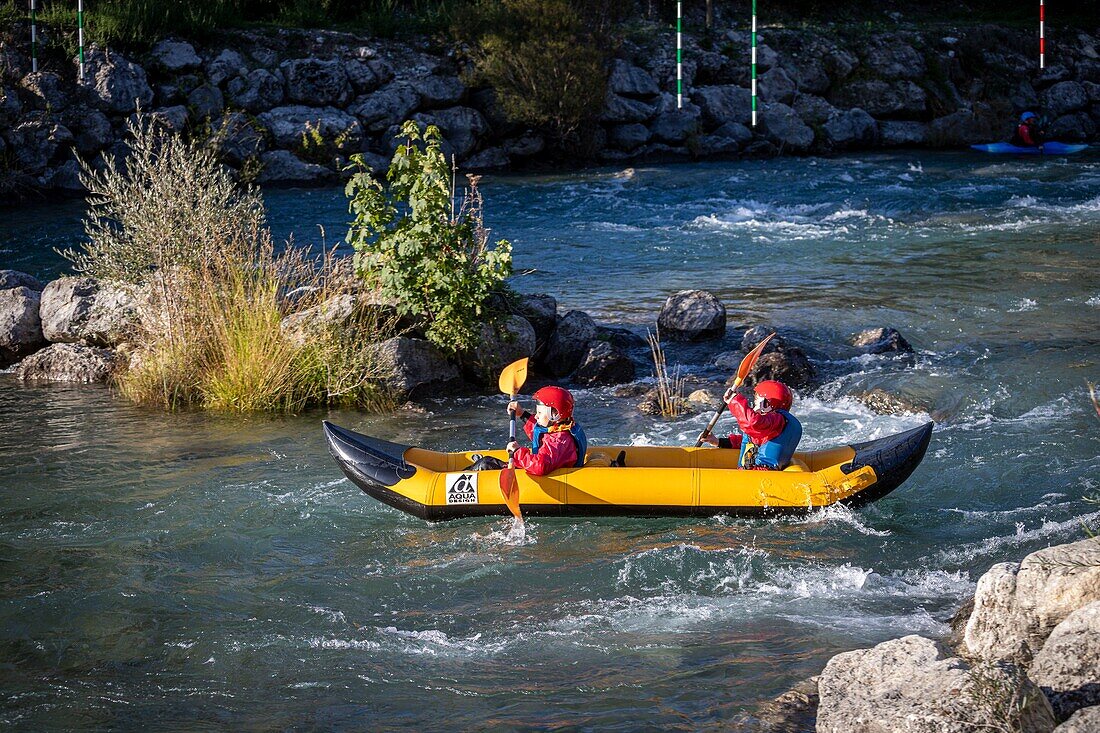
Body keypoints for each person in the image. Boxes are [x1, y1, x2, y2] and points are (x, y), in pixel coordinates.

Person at [701, 380, 802, 470]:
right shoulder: (774, 424)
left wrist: (734, 400)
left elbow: (752, 422)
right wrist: (718, 442)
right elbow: (752, 442)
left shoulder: (776, 420)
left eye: (756, 400)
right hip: (756, 473)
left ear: (766, 403)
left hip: (759, 475)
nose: (753, 403)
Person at [504, 385, 589, 476]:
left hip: (545, 472)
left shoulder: (559, 441)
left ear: (555, 415)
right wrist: (521, 414)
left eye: (540, 413)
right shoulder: (560, 429)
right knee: (488, 461)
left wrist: (517, 452)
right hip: (542, 465)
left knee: (487, 464)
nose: (536, 416)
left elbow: (540, 467)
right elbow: (539, 432)